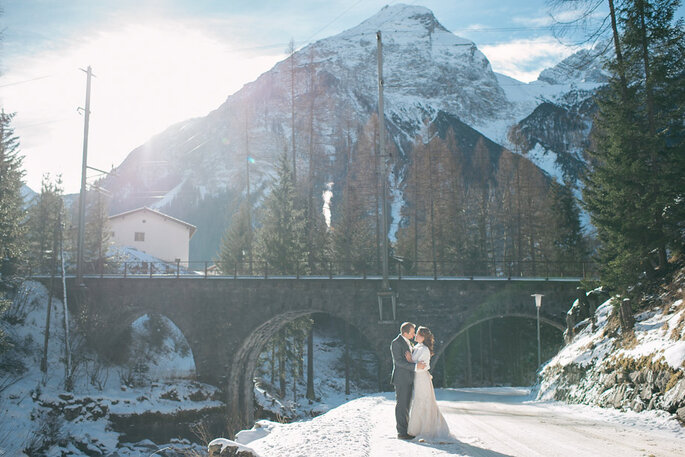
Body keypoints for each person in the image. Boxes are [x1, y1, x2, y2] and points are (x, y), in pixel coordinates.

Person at [406, 326, 451, 441]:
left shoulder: (424, 349)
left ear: (423, 337)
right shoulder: (417, 347)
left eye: (418, 334)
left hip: (422, 379)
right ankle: (418, 429)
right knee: (419, 401)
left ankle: (427, 431)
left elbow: (422, 367)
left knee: (425, 401)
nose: (415, 335)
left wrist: (410, 360)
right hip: (417, 378)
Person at [390, 322, 426, 440]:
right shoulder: (396, 343)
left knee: (407, 404)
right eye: (412, 332)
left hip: (409, 378)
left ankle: (406, 430)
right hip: (401, 379)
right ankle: (401, 432)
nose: (414, 334)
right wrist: (415, 367)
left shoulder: (408, 342)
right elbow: (399, 362)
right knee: (402, 405)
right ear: (405, 333)